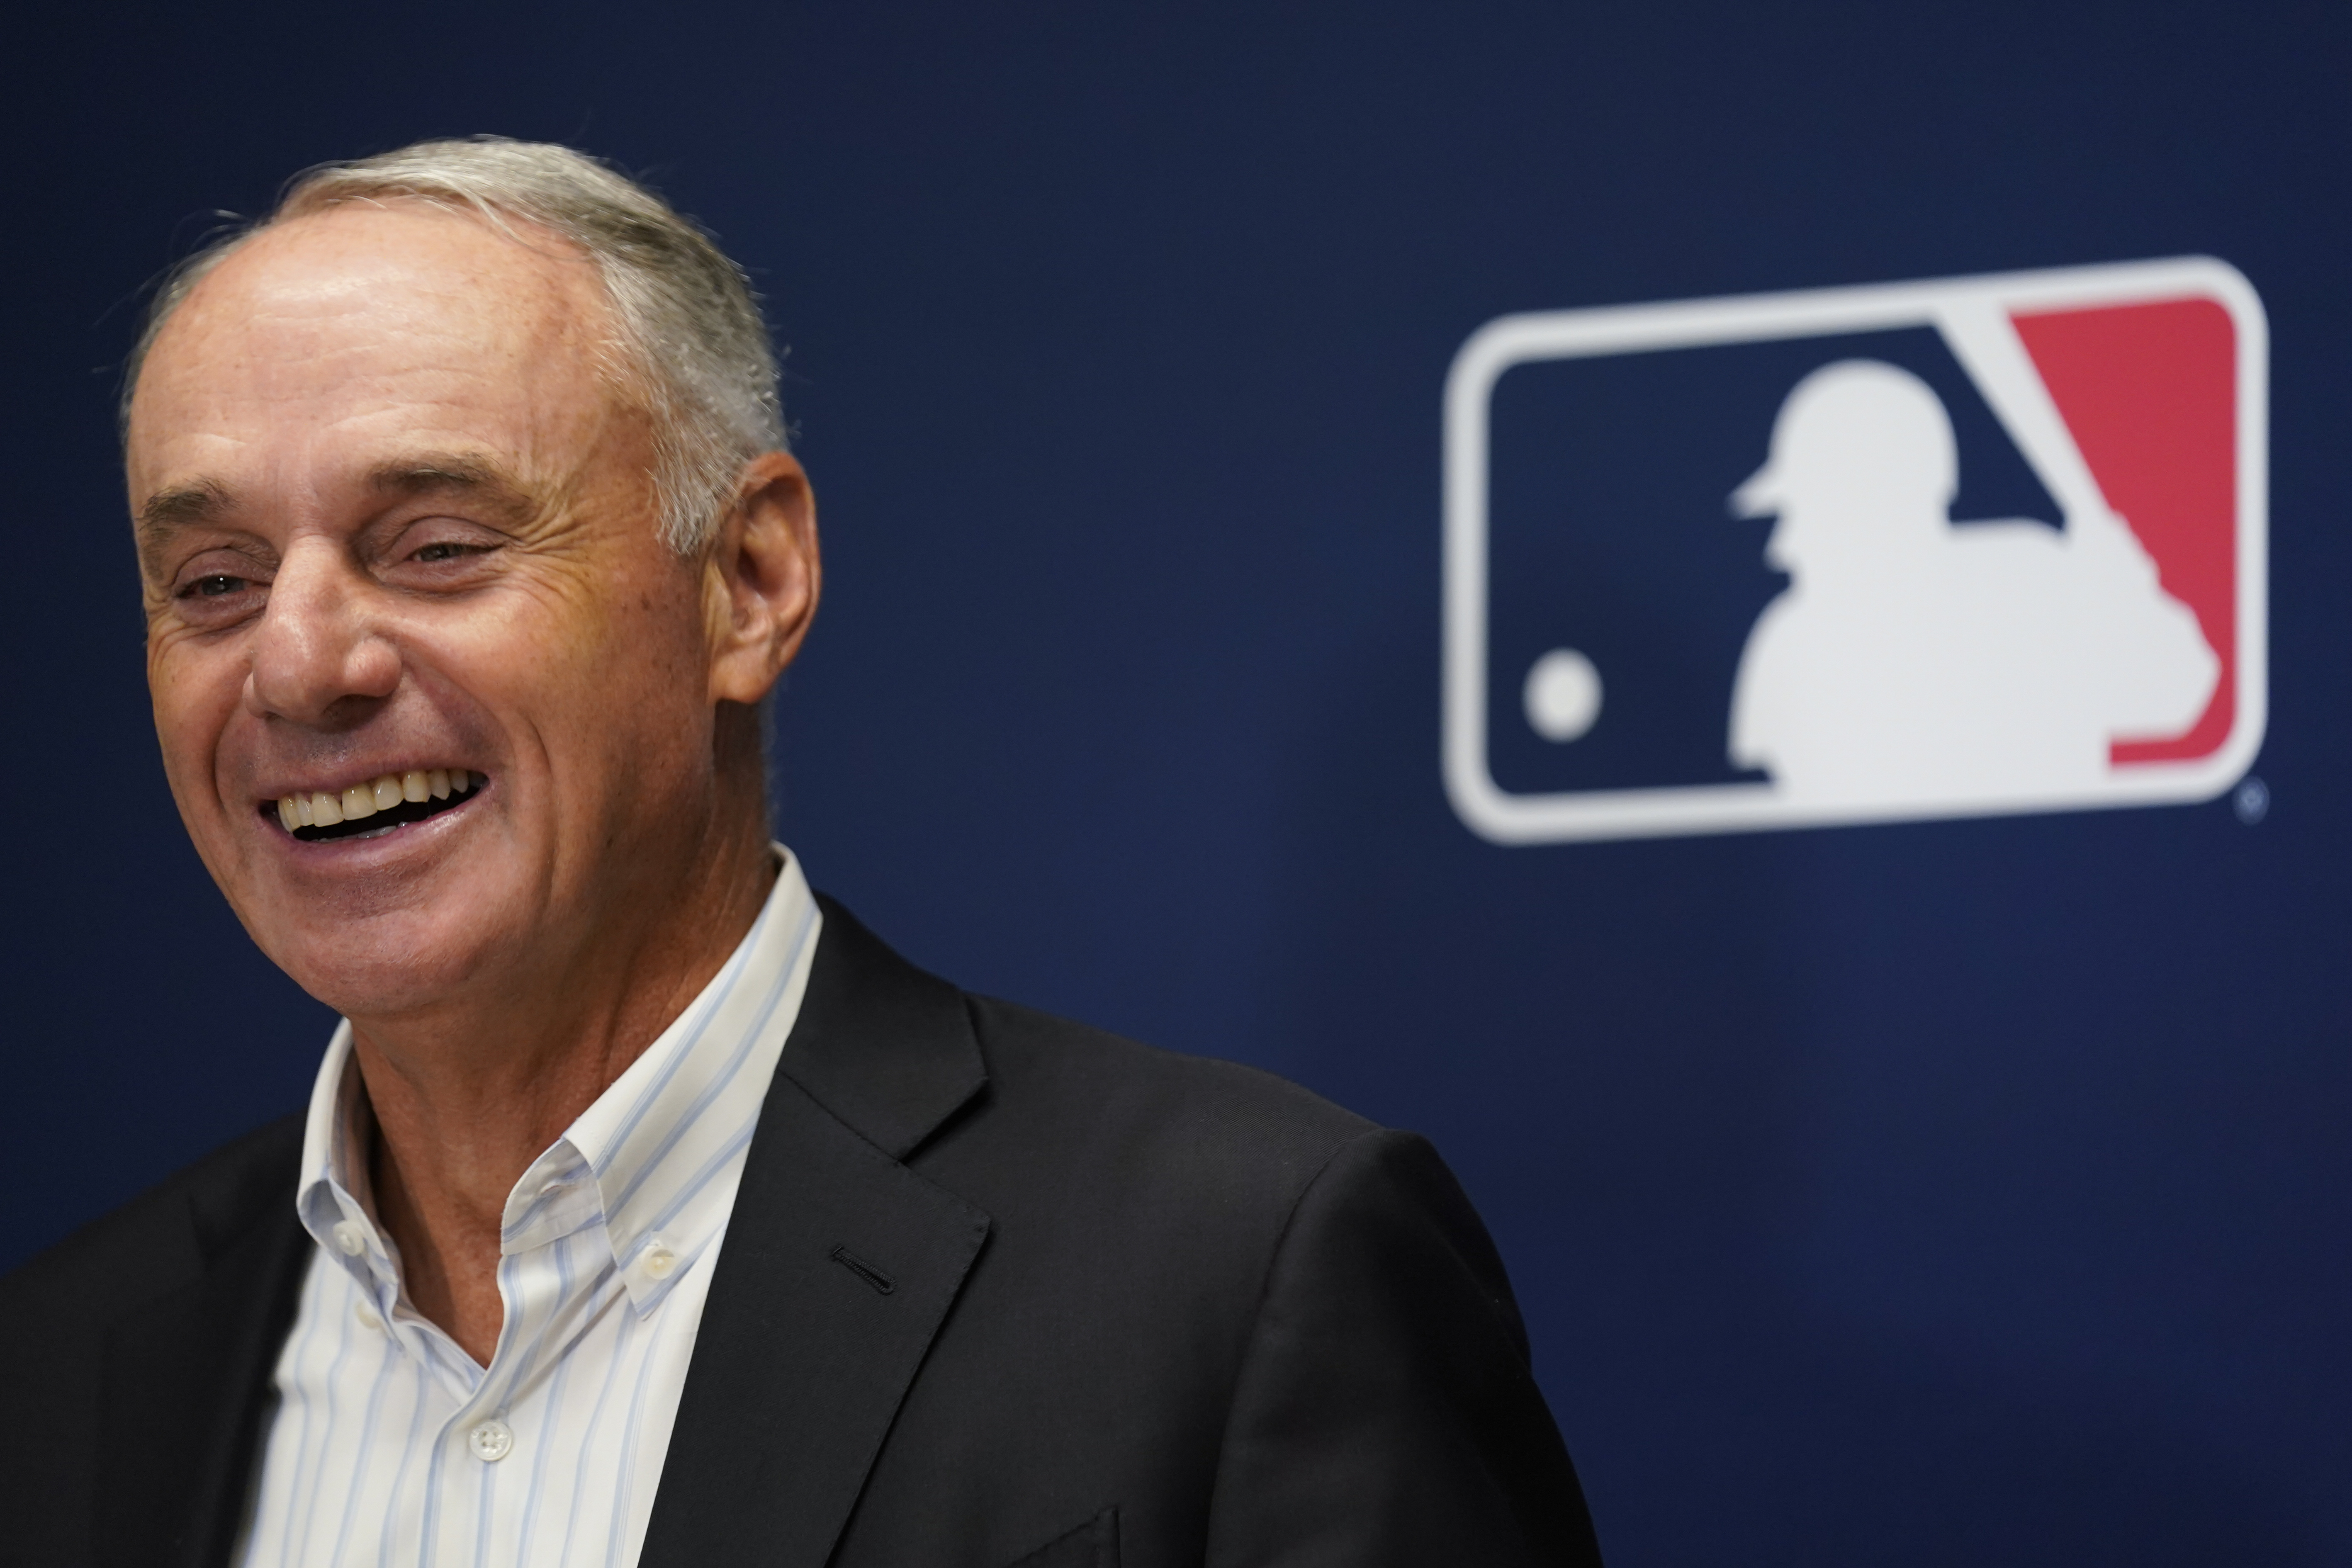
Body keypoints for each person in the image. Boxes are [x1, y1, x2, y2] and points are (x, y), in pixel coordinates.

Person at [0, 139, 1600, 1567]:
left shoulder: (1238, 1274)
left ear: (748, 579)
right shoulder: (61, 1364)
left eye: (434, 545)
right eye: (211, 580)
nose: (295, 663)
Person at [1728, 359, 2217, 806]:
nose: (1783, 548)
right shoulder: (1793, 640)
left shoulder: (2034, 582)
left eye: (1808, 514)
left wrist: (2124, 604)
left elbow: (2180, 693)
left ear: (1880, 504)